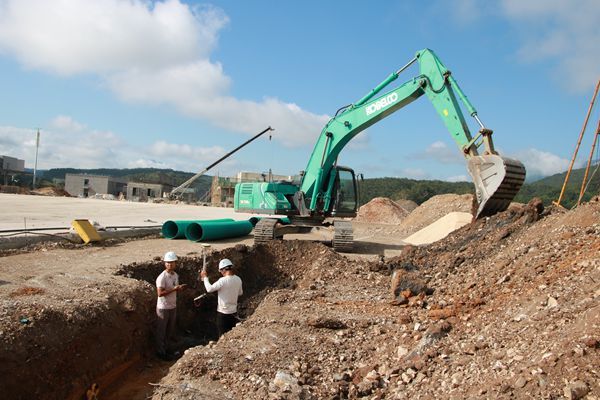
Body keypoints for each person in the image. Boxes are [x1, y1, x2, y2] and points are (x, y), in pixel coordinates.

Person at [200, 258, 243, 337]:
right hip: (233, 313)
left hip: (223, 314)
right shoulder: (238, 279)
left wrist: (205, 278)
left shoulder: (222, 280)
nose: (220, 273)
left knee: (222, 337)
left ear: (223, 270)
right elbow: (240, 293)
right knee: (231, 336)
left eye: (220, 271)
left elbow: (209, 289)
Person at [155, 251, 186, 360]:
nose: (170, 265)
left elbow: (175, 288)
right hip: (163, 308)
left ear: (175, 263)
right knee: (161, 330)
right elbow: (160, 294)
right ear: (165, 263)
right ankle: (160, 352)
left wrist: (179, 288)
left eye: (172, 263)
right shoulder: (162, 277)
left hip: (172, 306)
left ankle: (167, 349)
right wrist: (174, 289)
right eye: (168, 263)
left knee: (169, 330)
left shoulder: (175, 275)